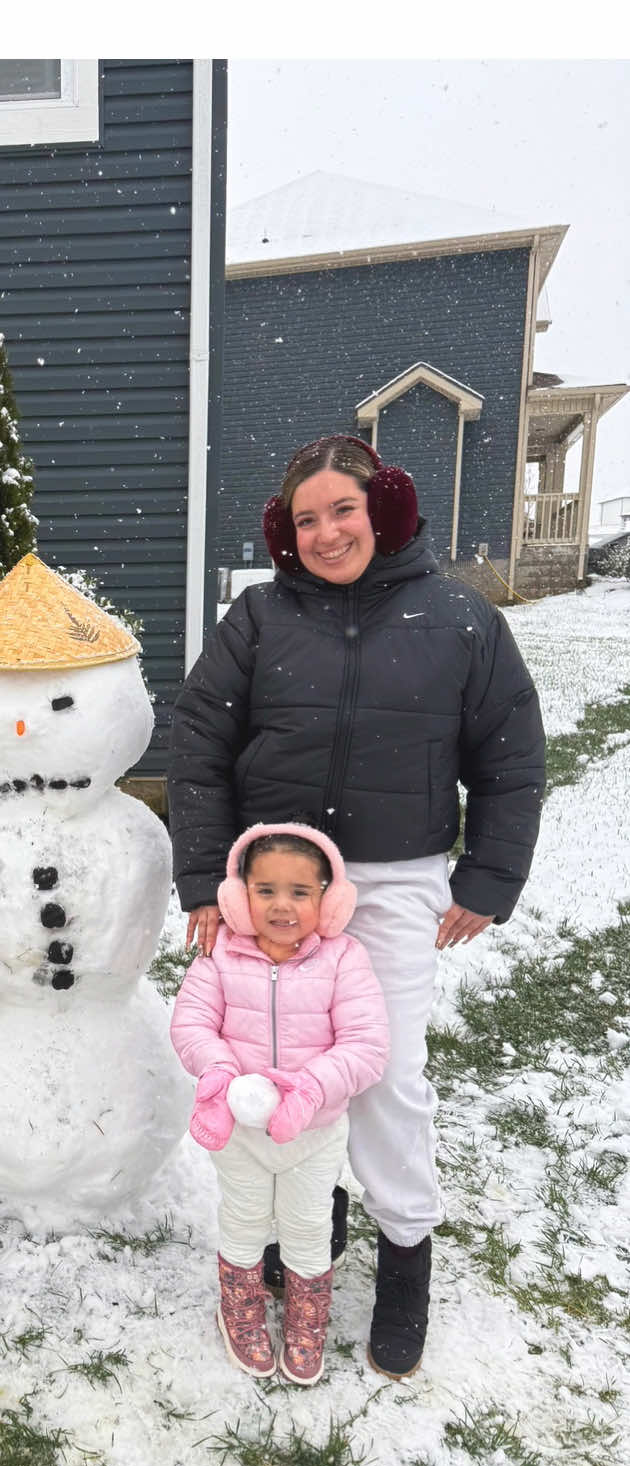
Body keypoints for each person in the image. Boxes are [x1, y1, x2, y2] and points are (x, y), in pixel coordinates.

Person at [169, 435, 545, 1379]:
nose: (328, 531)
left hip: (393, 879)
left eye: (344, 508)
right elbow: (201, 747)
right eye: (307, 517)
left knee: (381, 1074)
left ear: (383, 507)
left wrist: (487, 877)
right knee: (272, 1058)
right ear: (285, 532)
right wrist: (205, 880)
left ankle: (407, 1258)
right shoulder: (258, 618)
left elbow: (509, 750)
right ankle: (303, 1240)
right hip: (275, 881)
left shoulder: (458, 617)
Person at [170, 823, 388, 1383]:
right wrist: (219, 1072)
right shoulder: (219, 953)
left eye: (300, 892)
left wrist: (310, 1086)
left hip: (312, 1132)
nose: (282, 906)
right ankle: (239, 1307)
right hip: (239, 1128)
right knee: (243, 1220)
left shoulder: (344, 959)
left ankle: (306, 1315)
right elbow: (193, 1022)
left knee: (308, 1227)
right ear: (239, 897)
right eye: (265, 891)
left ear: (329, 900)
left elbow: (366, 1046)